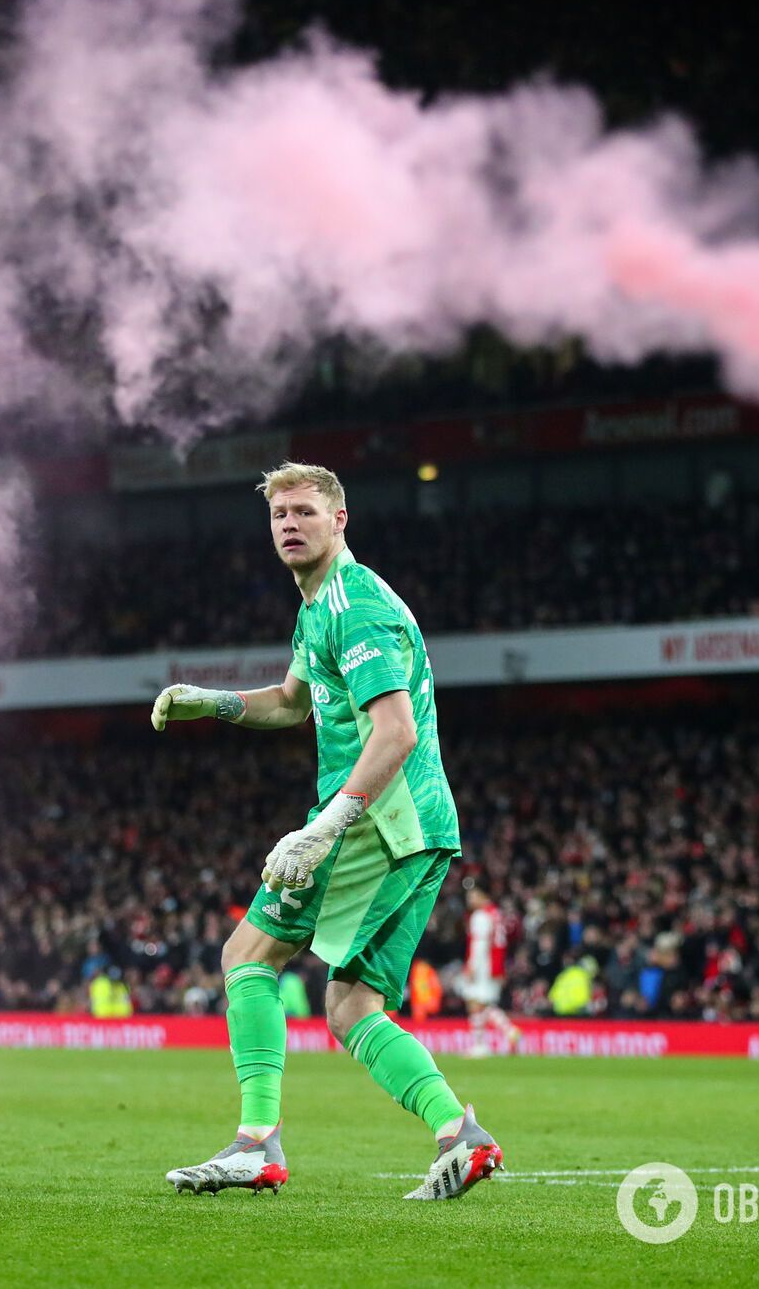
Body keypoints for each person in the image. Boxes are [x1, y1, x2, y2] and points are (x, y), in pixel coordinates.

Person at [153, 462, 502, 1201]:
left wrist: (324, 828)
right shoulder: (317, 607)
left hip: (377, 820)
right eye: (279, 511)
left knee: (247, 953)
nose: (289, 522)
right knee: (349, 1006)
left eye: (306, 510)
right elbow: (289, 701)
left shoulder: (353, 603)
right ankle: (457, 1133)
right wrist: (207, 701)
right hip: (418, 827)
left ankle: (255, 1142)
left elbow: (396, 731)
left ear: (339, 519)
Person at [460, 882, 518, 1057]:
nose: (469, 899)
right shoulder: (496, 914)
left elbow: (480, 944)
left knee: (474, 1004)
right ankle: (509, 1031)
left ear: (483, 896)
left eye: (473, 895)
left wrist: (471, 967)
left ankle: (479, 1045)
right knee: (484, 1004)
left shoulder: (480, 916)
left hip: (483, 965)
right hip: (494, 965)